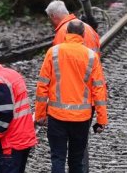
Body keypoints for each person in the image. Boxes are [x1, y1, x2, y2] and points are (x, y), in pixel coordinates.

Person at [35, 19, 109, 173]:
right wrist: (101, 119)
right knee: (76, 160)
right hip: (81, 118)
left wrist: (40, 114)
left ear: (67, 33)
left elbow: (42, 86)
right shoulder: (91, 56)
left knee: (58, 158)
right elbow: (98, 90)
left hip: (57, 116)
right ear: (83, 34)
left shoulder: (53, 52)